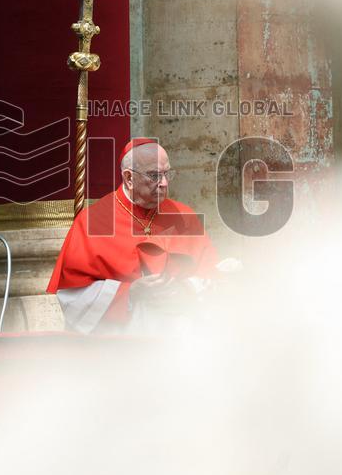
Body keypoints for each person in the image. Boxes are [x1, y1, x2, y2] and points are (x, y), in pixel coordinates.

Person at [47, 138, 220, 334]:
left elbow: (212, 276)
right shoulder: (93, 221)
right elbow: (73, 298)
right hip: (120, 341)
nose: (164, 183)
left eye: (167, 173)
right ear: (129, 178)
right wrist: (130, 292)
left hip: (180, 337)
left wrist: (185, 289)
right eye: (154, 175)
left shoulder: (183, 216)